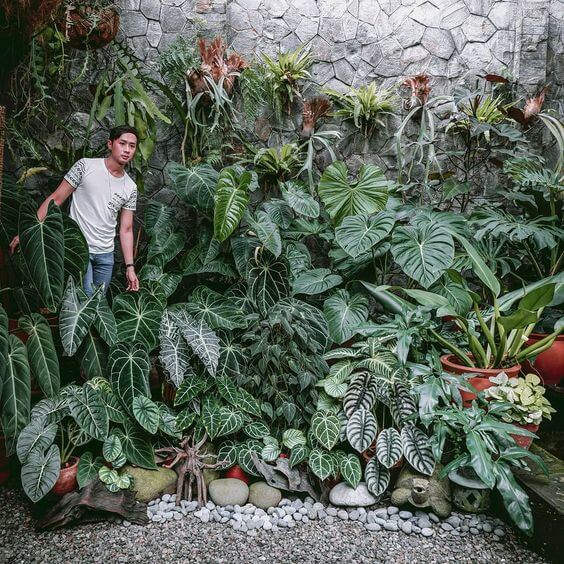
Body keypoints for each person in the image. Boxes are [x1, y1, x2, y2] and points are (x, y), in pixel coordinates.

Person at [10, 125, 140, 296]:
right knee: (83, 301)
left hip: (106, 256)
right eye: (122, 143)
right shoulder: (85, 166)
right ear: (110, 144)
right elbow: (56, 199)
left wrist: (130, 267)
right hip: (78, 249)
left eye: (132, 146)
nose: (127, 150)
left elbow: (126, 229)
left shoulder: (130, 187)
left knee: (95, 306)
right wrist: (28, 232)